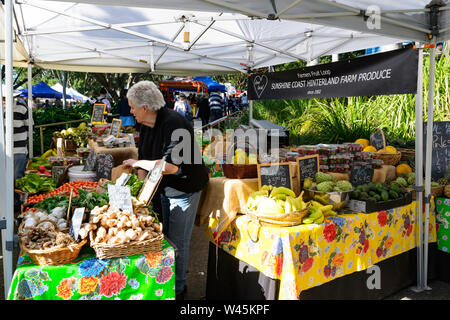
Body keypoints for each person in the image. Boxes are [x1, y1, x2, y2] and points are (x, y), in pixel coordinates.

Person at [122, 80, 209, 300]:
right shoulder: (146, 124)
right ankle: (166, 283)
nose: (130, 111)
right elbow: (144, 158)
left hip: (185, 188)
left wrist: (136, 164)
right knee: (164, 238)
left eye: (132, 106)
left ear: (145, 107)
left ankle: (179, 289)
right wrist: (140, 197)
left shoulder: (175, 123)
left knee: (178, 241)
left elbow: (169, 166)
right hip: (164, 188)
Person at [3, 88, 31, 208]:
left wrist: (20, 138)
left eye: (5, 98)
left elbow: (30, 127)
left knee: (16, 178)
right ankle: (5, 204)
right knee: (4, 178)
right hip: (2, 150)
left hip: (18, 150)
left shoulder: (22, 108)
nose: (4, 101)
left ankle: (15, 205)